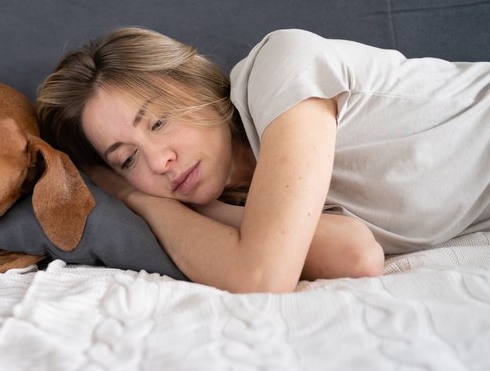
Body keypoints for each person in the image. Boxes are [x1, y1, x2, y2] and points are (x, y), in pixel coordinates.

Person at [35, 27, 490, 293]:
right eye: (127, 160)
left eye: (158, 123)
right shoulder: (247, 195)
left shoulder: (281, 69)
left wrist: (143, 201)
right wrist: (164, 204)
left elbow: (262, 276)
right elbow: (355, 255)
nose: (159, 161)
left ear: (196, 87)